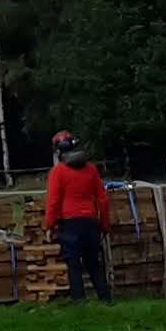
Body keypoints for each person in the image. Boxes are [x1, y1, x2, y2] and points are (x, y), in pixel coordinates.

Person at [43, 129, 114, 304]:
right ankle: (106, 299)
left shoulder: (58, 172)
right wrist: (104, 225)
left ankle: (80, 302)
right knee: (94, 264)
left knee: (73, 265)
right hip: (90, 222)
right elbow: (102, 199)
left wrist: (49, 225)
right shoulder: (91, 169)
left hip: (70, 223)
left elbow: (53, 201)